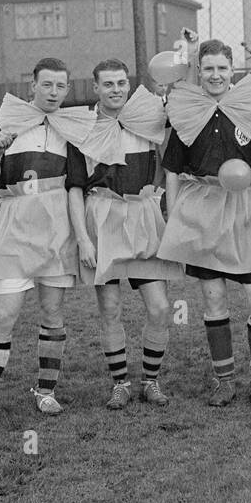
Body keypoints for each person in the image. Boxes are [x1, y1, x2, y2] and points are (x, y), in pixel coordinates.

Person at [0, 57, 95, 426]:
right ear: (32, 86)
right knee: (4, 315)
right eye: (47, 85)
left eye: (60, 86)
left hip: (56, 228)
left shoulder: (70, 129)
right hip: (14, 225)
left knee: (53, 314)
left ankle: (46, 391)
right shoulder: (8, 122)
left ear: (68, 90)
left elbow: (74, 188)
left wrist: (83, 238)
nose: (53, 92)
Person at [157, 40, 251, 407]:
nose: (215, 75)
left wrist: (248, 176)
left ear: (233, 70)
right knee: (213, 298)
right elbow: (173, 170)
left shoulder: (250, 105)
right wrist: (174, 215)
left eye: (222, 68)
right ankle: (224, 380)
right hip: (203, 208)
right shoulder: (187, 110)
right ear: (200, 71)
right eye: (208, 69)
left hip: (246, 207)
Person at [66, 58, 180, 410]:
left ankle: (151, 381)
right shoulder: (82, 126)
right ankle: (120, 384)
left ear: (129, 86)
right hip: (102, 218)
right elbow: (74, 187)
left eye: (121, 83)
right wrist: (83, 239)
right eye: (109, 84)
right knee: (110, 307)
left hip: (144, 215)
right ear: (96, 88)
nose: (116, 89)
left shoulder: (149, 117)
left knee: (160, 308)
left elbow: (182, 132)